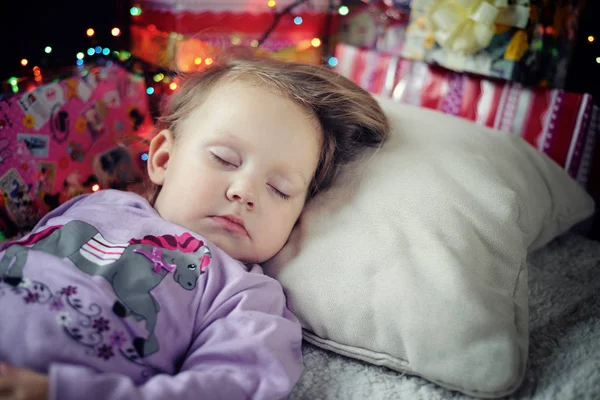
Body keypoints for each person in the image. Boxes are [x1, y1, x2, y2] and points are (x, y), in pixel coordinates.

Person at [0, 55, 389, 400]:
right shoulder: (98, 204)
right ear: (164, 158)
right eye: (224, 158)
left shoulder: (245, 295)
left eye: (278, 189)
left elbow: (231, 385)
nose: (244, 192)